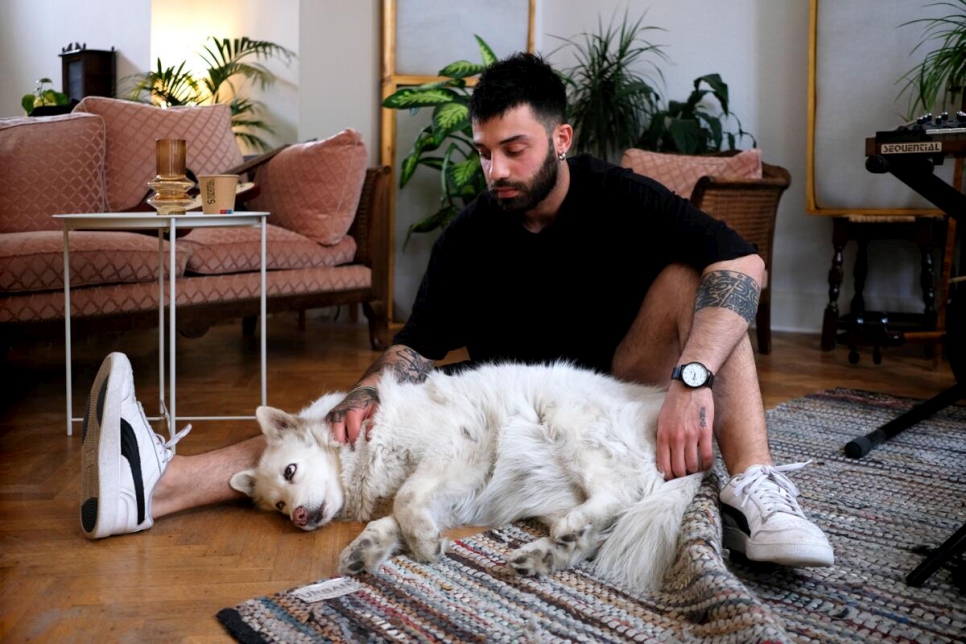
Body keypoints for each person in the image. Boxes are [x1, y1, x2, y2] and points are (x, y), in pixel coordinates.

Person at [81, 52, 833, 568]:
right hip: (513, 403)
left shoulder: (621, 196)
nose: (496, 170)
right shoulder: (472, 234)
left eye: (515, 149)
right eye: (484, 152)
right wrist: (373, 387)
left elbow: (743, 262)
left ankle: (757, 486)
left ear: (561, 139)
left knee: (696, 283)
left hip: (621, 378)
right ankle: (157, 484)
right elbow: (418, 345)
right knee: (330, 433)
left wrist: (692, 379)